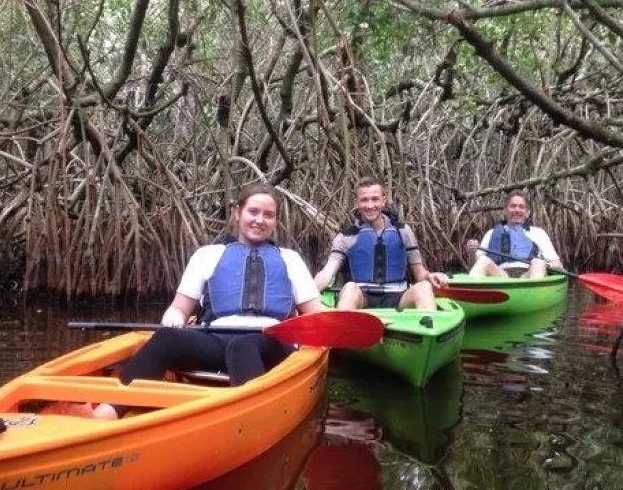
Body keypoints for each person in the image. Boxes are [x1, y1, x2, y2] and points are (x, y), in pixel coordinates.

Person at [89, 183, 326, 419]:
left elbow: (315, 315)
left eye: (268, 215)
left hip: (271, 342)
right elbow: (179, 309)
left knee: (243, 346)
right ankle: (108, 412)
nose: (260, 220)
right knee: (167, 337)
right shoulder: (207, 255)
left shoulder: (290, 259)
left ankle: (249, 418)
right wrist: (174, 317)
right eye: (253, 212)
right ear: (237, 213)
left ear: (275, 221)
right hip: (217, 339)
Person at [314, 176, 448, 310]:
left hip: (399, 297)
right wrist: (306, 295)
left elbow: (420, 274)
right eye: (364, 200)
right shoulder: (346, 236)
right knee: (349, 289)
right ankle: (346, 328)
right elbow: (327, 273)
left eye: (375, 199)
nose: (370, 205)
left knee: (424, 288)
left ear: (384, 201)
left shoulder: (403, 231)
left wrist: (430, 276)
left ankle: (427, 327)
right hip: (362, 298)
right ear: (357, 202)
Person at [465, 191, 563, 278]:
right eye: (513, 206)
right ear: (505, 210)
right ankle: (468, 294)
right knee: (483, 261)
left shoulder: (538, 233)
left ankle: (534, 294)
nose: (517, 210)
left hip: (527, 275)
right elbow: (475, 264)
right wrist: (472, 252)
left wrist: (549, 265)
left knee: (538, 262)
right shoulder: (491, 233)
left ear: (527, 213)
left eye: (521, 207)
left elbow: (556, 263)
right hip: (501, 276)